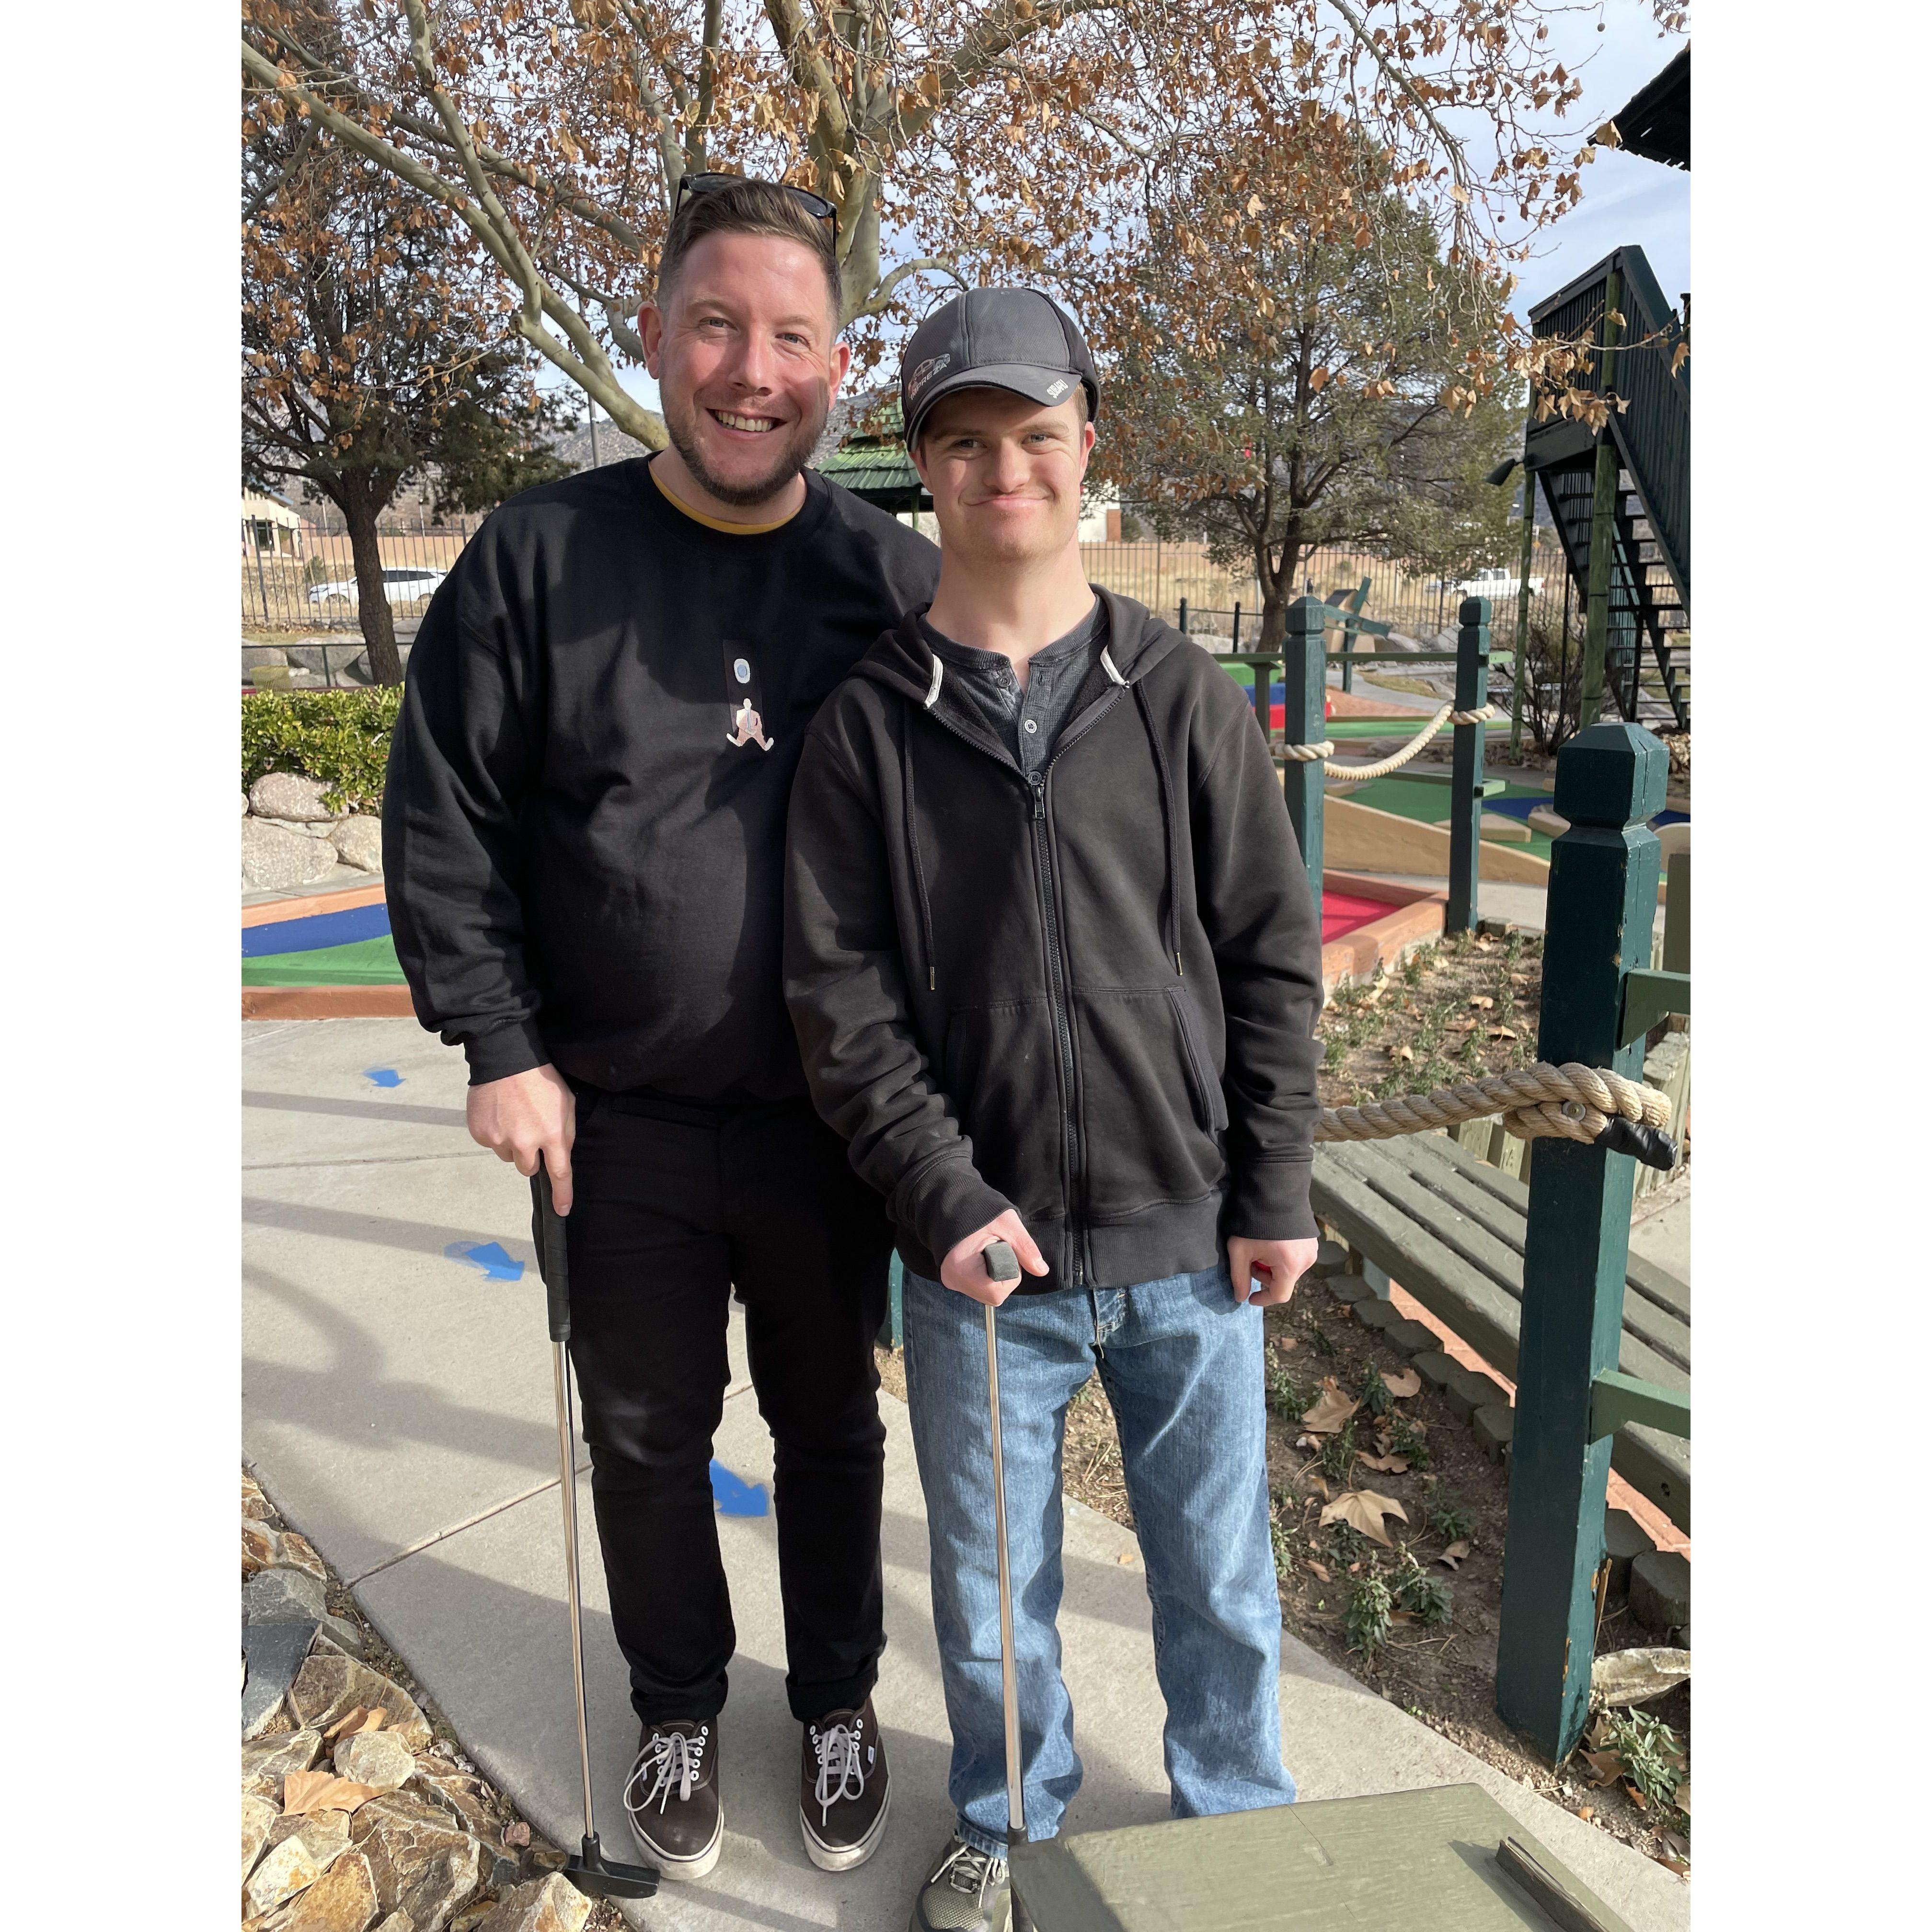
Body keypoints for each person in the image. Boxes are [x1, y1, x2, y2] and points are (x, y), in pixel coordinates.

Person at [383, 176, 938, 1883]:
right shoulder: (537, 557)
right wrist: (496, 1043)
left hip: (835, 1121)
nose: (750, 370)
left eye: (789, 336)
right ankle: (678, 1699)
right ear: (655, 332)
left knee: (834, 1426)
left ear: (838, 366)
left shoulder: (893, 579)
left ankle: (837, 1699)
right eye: (717, 324)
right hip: (607, 1121)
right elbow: (447, 818)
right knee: (645, 1434)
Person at [782, 287, 1324, 1932]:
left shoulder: (1179, 696)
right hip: (983, 1267)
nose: (1003, 467)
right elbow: (841, 997)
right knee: (987, 1588)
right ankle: (1010, 1825)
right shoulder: (870, 726)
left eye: (1035, 433)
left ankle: (1233, 1816)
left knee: (1220, 1579)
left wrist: (1276, 1183)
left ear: (1088, 445)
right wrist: (941, 1197)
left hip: (1187, 1237)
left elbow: (1269, 950)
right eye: (964, 439)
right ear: (921, 468)